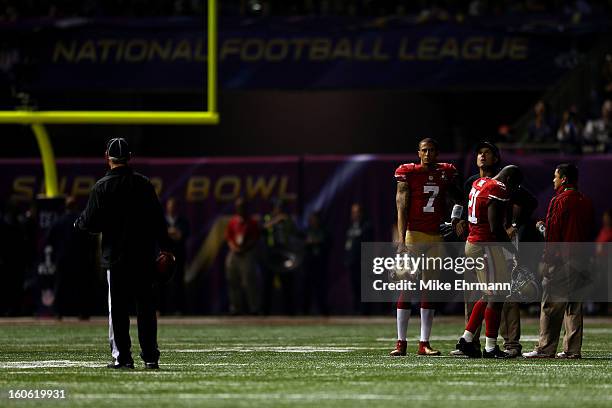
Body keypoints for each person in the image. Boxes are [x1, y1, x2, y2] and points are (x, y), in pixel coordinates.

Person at [75, 138, 172, 369]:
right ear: (130, 157)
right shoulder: (144, 184)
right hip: (143, 256)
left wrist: (78, 224)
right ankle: (150, 357)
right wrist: (167, 248)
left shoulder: (101, 186)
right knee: (146, 309)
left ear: (107, 157)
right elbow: (158, 221)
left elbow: (90, 222)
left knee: (118, 311)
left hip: (115, 258)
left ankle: (123, 358)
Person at [453, 141, 537, 358]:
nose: (511, 191)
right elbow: (494, 226)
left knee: (489, 295)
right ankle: (489, 347)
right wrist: (514, 252)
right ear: (508, 180)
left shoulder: (479, 182)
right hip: (485, 245)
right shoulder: (497, 188)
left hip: (475, 243)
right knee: (496, 295)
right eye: (512, 186)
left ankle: (467, 339)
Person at [391, 138, 462, 357]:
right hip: (414, 234)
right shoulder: (408, 173)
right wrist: (401, 240)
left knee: (429, 287)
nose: (428, 153)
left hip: (436, 236)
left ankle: (424, 343)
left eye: (431, 150)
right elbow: (401, 206)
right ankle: (401, 343)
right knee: (407, 286)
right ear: (418, 153)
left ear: (437, 153)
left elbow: (457, 198)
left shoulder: (446, 172)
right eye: (424, 150)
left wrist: (456, 219)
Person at [523, 164, 594, 359]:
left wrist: (547, 258)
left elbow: (555, 234)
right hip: (583, 260)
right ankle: (572, 350)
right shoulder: (586, 201)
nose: (553, 180)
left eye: (555, 177)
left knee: (550, 306)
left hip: (562, 260)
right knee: (574, 307)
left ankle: (545, 348)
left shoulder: (559, 200)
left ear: (563, 179)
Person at [48, 196, 97, 319]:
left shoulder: (58, 221)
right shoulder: (82, 221)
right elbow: (91, 240)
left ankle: (58, 312)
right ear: (75, 206)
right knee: (82, 286)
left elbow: (50, 241)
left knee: (61, 286)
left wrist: (56, 255)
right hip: (80, 259)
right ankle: (83, 312)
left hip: (63, 259)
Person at [224, 197, 260, 315]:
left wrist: (245, 248)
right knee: (232, 281)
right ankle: (235, 308)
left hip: (247, 253)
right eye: (239, 206)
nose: (241, 209)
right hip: (235, 253)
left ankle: (254, 308)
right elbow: (229, 238)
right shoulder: (233, 221)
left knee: (249, 281)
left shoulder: (252, 222)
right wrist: (234, 248)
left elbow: (255, 238)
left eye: (243, 206)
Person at [161, 197, 190, 315]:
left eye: (173, 206)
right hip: (163, 257)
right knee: (161, 283)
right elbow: (160, 235)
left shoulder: (183, 221)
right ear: (167, 207)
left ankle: (179, 309)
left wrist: (169, 232)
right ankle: (161, 309)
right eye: (169, 205)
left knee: (178, 283)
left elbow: (180, 236)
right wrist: (171, 232)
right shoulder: (161, 220)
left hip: (179, 256)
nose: (171, 208)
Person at [344, 202, 373, 315]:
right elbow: (348, 244)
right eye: (353, 212)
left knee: (363, 286)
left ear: (361, 213)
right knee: (354, 286)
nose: (354, 214)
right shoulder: (351, 226)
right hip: (352, 262)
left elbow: (368, 244)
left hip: (363, 261)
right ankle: (356, 309)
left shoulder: (367, 226)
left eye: (356, 212)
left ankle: (365, 311)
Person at [302, 211, 330, 315]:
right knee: (306, 289)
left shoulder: (324, 231)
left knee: (321, 289)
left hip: (320, 265)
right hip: (308, 265)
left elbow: (328, 243)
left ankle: (324, 312)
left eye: (315, 219)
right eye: (311, 219)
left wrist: (317, 242)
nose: (313, 221)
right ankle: (305, 312)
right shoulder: (307, 231)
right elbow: (301, 244)